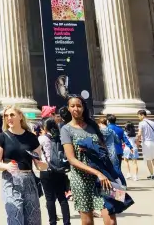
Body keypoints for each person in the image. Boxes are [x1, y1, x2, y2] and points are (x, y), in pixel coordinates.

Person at [60, 95, 118, 225]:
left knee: (111, 220)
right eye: (72, 106)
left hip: (103, 176)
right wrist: (96, 173)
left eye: (79, 105)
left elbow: (103, 149)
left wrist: (93, 149)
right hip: (81, 178)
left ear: (84, 107)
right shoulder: (66, 129)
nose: (76, 108)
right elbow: (71, 159)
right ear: (68, 109)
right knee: (87, 222)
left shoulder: (92, 126)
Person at [0, 105, 47, 225]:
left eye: (12, 115)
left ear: (20, 117)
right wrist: (6, 166)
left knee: (33, 220)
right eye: (6, 116)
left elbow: (38, 163)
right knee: (15, 218)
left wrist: (43, 165)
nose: (9, 118)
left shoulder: (32, 138)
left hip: (29, 180)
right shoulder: (2, 137)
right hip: (11, 180)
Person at [38, 118, 71, 225]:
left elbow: (36, 154)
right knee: (62, 198)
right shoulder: (60, 138)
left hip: (46, 170)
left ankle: (52, 222)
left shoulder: (41, 139)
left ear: (45, 127)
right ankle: (67, 222)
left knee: (50, 199)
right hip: (60, 170)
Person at [136, 109, 154, 179]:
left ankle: (152, 175)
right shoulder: (153, 123)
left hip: (146, 143)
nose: (138, 118)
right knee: (153, 157)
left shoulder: (141, 123)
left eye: (139, 116)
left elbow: (139, 133)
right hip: (153, 142)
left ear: (142, 115)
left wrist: (137, 141)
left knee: (148, 159)